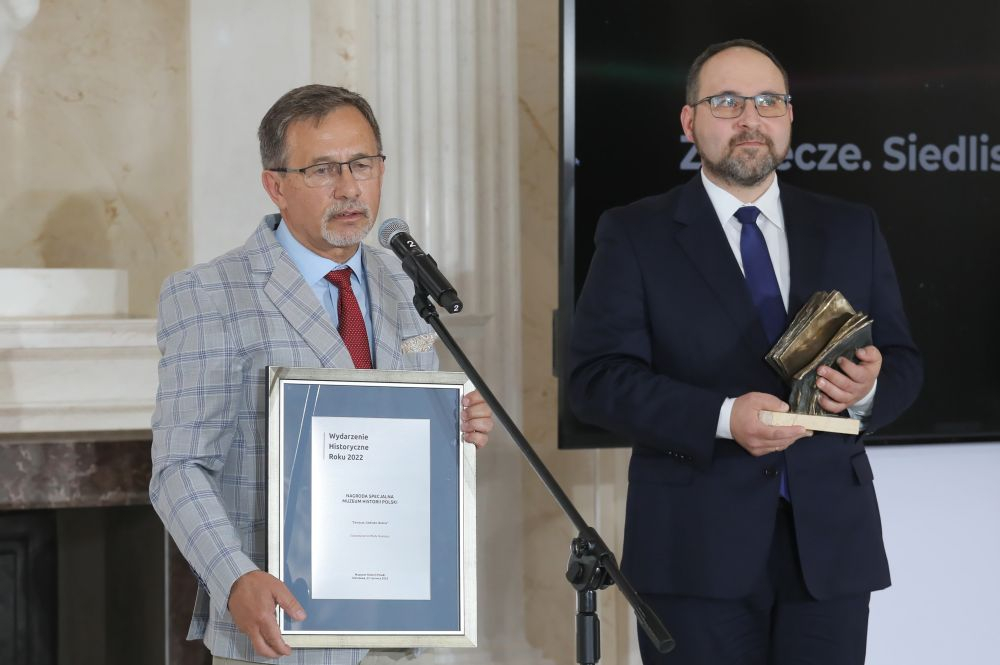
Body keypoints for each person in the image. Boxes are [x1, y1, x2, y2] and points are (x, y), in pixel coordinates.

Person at [568, 40, 922, 665]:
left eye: (767, 102)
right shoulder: (635, 233)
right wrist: (726, 418)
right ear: (690, 121)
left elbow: (904, 362)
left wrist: (866, 391)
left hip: (830, 552)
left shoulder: (850, 227)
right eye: (727, 102)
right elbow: (596, 380)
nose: (749, 120)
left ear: (789, 116)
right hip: (694, 551)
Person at [150, 85, 494, 665]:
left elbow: (395, 445)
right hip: (282, 636)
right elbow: (178, 470)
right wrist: (234, 579)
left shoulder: (406, 284)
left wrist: (453, 426)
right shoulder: (208, 293)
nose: (349, 187)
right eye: (322, 170)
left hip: (399, 629)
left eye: (363, 164)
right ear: (275, 184)